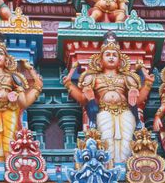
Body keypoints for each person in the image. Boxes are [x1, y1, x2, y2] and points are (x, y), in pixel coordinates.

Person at [63, 33, 154, 163]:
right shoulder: (92, 78)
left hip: (125, 111)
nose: (111, 57)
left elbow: (137, 102)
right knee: (106, 137)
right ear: (100, 60)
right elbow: (83, 99)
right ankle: (110, 165)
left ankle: (123, 165)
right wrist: (69, 85)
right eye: (107, 54)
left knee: (127, 138)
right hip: (103, 111)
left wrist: (148, 84)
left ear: (120, 60)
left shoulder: (127, 78)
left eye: (114, 55)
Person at [0, 33, 43, 162]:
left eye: (1, 53)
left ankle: (8, 164)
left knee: (9, 141)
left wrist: (14, 97)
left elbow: (24, 103)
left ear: (7, 59)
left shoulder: (13, 77)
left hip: (8, 111)